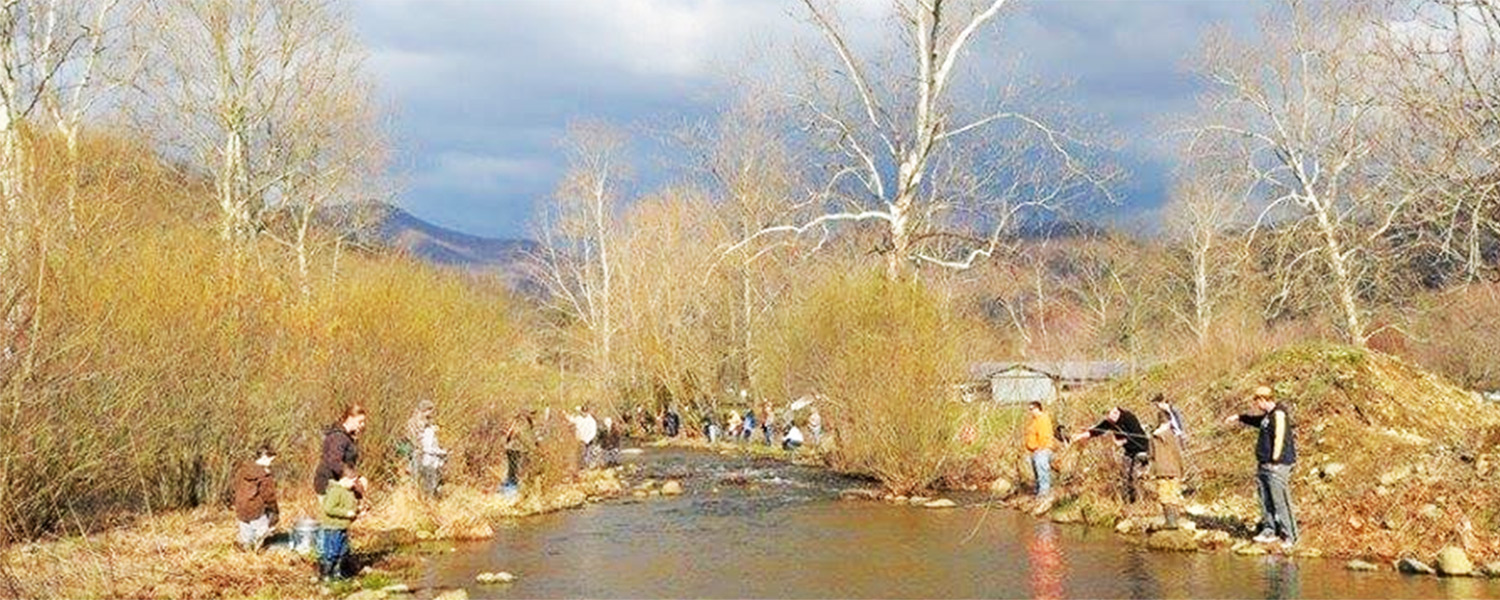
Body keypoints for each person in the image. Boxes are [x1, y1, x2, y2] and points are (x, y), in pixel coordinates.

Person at [1224, 385, 1298, 547]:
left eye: (1257, 402)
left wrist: (1275, 460)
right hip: (1264, 464)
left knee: (1280, 500)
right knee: (1265, 499)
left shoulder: (1279, 413)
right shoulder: (1267, 416)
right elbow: (1257, 421)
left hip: (1277, 465)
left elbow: (1279, 437)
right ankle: (1269, 530)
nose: (1256, 406)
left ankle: (1290, 535)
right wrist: (1239, 417)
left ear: (1263, 400)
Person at [1069, 406, 1150, 504]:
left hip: (1140, 448)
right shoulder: (1110, 421)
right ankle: (1127, 502)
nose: (1110, 421)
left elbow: (1136, 434)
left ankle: (1139, 501)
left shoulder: (1129, 418)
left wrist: (1122, 441)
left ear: (1116, 413)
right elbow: (1096, 431)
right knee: (1124, 475)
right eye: (1108, 418)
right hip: (1128, 451)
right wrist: (1079, 437)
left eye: (1111, 417)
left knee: (1134, 476)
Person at [315, 404, 367, 501]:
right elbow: (334, 461)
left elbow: (346, 464)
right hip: (329, 485)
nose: (362, 425)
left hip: (336, 485)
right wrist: (354, 478)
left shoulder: (346, 438)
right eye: (360, 421)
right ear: (350, 418)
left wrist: (357, 478)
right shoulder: (338, 437)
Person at [1149, 396, 1186, 529]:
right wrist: (1182, 470)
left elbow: (1151, 455)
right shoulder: (1174, 435)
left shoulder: (1153, 437)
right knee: (1174, 495)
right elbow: (1178, 453)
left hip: (1161, 470)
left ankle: (1170, 522)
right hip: (1175, 469)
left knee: (1164, 496)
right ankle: (1174, 521)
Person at [233, 445, 279, 551]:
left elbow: (235, 487)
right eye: (271, 460)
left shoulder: (243, 470)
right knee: (263, 536)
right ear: (264, 457)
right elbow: (269, 497)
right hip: (255, 509)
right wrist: (275, 511)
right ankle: (260, 554)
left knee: (246, 537)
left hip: (240, 507)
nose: (271, 463)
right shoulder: (264, 475)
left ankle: (246, 556)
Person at [319, 471, 363, 581]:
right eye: (352, 481)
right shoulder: (335, 491)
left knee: (343, 551)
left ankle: (337, 574)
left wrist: (358, 511)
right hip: (333, 527)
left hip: (343, 527)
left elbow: (348, 507)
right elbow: (329, 509)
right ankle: (326, 575)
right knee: (332, 552)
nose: (354, 484)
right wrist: (346, 513)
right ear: (344, 480)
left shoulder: (349, 492)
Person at [1024, 401, 1056, 501]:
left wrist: (1040, 447)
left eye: (1032, 409)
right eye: (1029, 409)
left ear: (1038, 408)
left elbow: (1044, 435)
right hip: (1035, 451)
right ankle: (1039, 491)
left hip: (1042, 450)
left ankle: (1044, 494)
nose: (1030, 411)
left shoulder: (1043, 419)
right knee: (1037, 472)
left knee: (1042, 470)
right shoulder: (1034, 421)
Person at [502, 410, 536, 492]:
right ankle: (516, 487)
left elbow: (508, 436)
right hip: (520, 449)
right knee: (520, 470)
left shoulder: (516, 422)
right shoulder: (528, 424)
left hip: (514, 449)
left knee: (513, 471)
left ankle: (513, 485)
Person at [401, 400, 435, 481]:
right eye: (430, 411)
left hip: (417, 447)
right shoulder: (418, 420)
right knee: (416, 468)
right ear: (425, 410)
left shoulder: (419, 419)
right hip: (415, 447)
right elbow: (416, 436)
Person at [417, 419, 448, 498]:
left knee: (431, 482)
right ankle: (429, 501)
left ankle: (430, 500)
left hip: (431, 461)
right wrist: (441, 452)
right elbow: (428, 448)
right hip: (429, 461)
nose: (439, 429)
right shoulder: (429, 433)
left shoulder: (429, 433)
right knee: (430, 483)